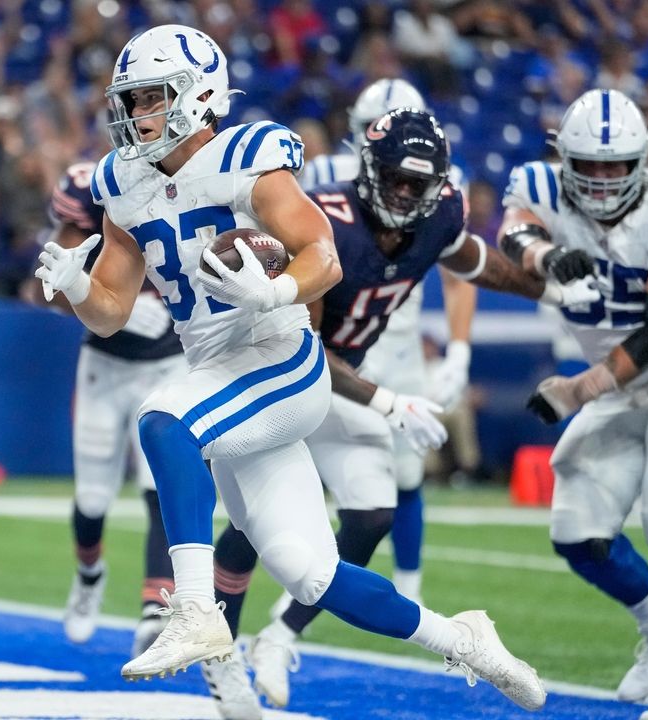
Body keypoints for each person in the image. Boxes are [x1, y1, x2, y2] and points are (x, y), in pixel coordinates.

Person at [34, 24, 547, 714]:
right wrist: (75, 287)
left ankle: (193, 610)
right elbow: (111, 311)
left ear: (198, 95)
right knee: (313, 575)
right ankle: (465, 640)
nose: (136, 114)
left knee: (163, 419)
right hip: (220, 372)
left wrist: (273, 291)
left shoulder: (248, 155)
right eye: (132, 99)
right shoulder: (122, 182)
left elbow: (323, 256)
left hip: (279, 358)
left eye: (152, 97)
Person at [217, 107, 599, 710]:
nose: (403, 193)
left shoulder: (439, 217)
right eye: (394, 178)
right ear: (368, 169)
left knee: (370, 517)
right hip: (279, 380)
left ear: (438, 185)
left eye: (416, 184)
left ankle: (278, 636)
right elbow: (302, 349)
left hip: (342, 382)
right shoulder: (327, 224)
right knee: (254, 527)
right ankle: (223, 655)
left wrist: (547, 286)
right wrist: (387, 400)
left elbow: (476, 261)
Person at [497, 88, 648, 705]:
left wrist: (580, 389)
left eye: (617, 165)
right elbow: (513, 233)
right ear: (563, 160)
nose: (605, 180)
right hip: (614, 389)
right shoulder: (537, 183)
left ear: (641, 158)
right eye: (590, 166)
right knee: (577, 534)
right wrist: (548, 255)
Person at [301, 77, 479, 603]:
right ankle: (303, 581)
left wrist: (459, 348)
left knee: (405, 473)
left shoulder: (444, 189)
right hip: (334, 336)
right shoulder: (322, 182)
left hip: (396, 339)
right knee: (311, 470)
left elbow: (459, 271)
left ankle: (408, 588)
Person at [38, 162, 189, 660]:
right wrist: (94, 297)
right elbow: (47, 288)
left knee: (158, 488)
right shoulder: (85, 201)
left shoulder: (166, 193)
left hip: (166, 368)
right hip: (105, 369)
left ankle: (154, 607)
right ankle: (88, 577)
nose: (74, 232)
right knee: (93, 499)